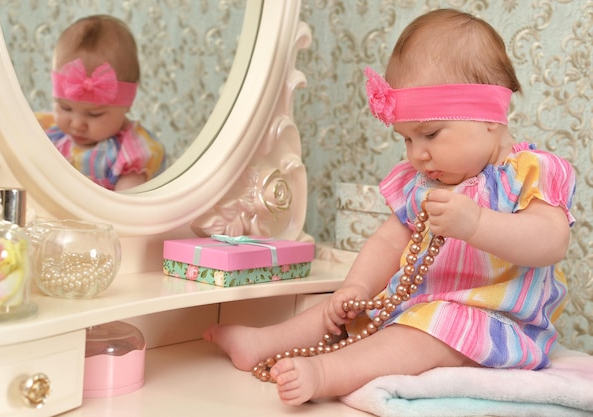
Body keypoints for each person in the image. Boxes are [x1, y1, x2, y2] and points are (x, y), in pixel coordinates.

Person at [203, 8, 577, 406]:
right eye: (406, 139)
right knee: (342, 310)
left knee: (431, 328)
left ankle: (329, 373)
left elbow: (551, 241)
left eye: (430, 134)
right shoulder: (425, 183)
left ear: (488, 118)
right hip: (417, 305)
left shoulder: (532, 172)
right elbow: (388, 240)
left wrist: (477, 223)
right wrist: (356, 287)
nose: (417, 154)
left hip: (494, 323)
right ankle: (265, 341)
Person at [36, 15, 165, 191]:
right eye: (65, 107)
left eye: (94, 114)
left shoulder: (131, 154)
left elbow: (124, 210)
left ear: (128, 103)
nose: (77, 124)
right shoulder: (46, 132)